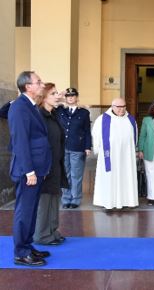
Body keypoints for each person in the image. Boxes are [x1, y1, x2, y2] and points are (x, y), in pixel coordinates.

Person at [8, 71, 52, 266]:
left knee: (31, 210)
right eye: (38, 82)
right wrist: (29, 171)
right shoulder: (19, 108)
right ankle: (20, 252)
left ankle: (27, 245)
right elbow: (20, 143)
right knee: (24, 212)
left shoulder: (30, 106)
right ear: (28, 86)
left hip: (37, 168)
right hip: (28, 171)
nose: (41, 84)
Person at [34, 83, 69, 245]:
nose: (58, 96)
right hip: (44, 165)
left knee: (55, 198)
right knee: (45, 201)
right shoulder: (38, 115)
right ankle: (42, 235)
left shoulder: (53, 113)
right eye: (53, 93)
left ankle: (52, 230)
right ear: (43, 97)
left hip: (56, 163)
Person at [92, 98, 139, 210]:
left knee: (126, 175)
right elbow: (96, 135)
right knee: (109, 177)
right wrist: (98, 150)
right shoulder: (103, 119)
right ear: (112, 106)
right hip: (109, 156)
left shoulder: (130, 120)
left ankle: (127, 200)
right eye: (119, 107)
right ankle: (108, 202)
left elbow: (135, 137)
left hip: (126, 157)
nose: (121, 109)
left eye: (123, 106)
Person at [57, 88, 92, 209]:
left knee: (76, 175)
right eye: (68, 96)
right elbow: (50, 101)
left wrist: (88, 146)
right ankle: (66, 198)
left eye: (73, 95)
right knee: (65, 174)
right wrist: (60, 95)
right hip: (62, 147)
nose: (70, 98)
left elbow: (87, 131)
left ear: (77, 97)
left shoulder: (84, 113)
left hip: (78, 147)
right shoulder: (60, 110)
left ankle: (75, 199)